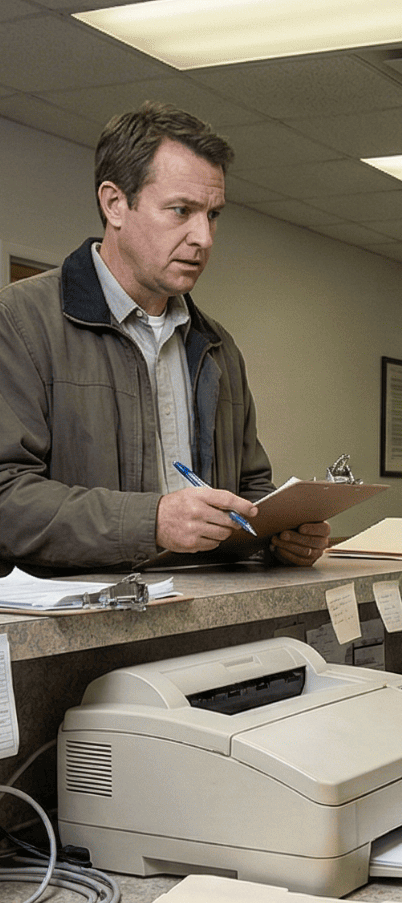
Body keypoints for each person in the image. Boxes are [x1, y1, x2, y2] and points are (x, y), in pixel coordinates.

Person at [0, 102, 328, 571]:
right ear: (114, 203)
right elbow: (6, 498)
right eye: (181, 211)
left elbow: (252, 489)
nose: (204, 238)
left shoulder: (217, 347)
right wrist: (149, 521)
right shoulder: (19, 321)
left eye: (213, 215)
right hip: (85, 625)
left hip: (200, 615)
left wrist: (280, 536)